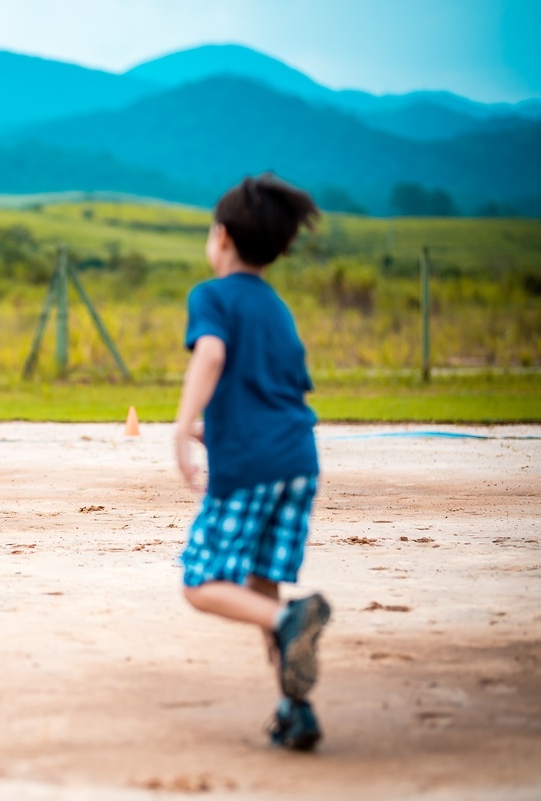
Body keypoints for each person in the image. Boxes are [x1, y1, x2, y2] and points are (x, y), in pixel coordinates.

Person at [173, 175, 330, 751]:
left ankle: (292, 621)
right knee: (261, 590)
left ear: (221, 238)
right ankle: (296, 709)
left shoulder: (212, 295)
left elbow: (211, 354)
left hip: (252, 467)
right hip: (298, 462)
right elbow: (273, 394)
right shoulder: (277, 308)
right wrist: (210, 428)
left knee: (201, 581)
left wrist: (179, 429)